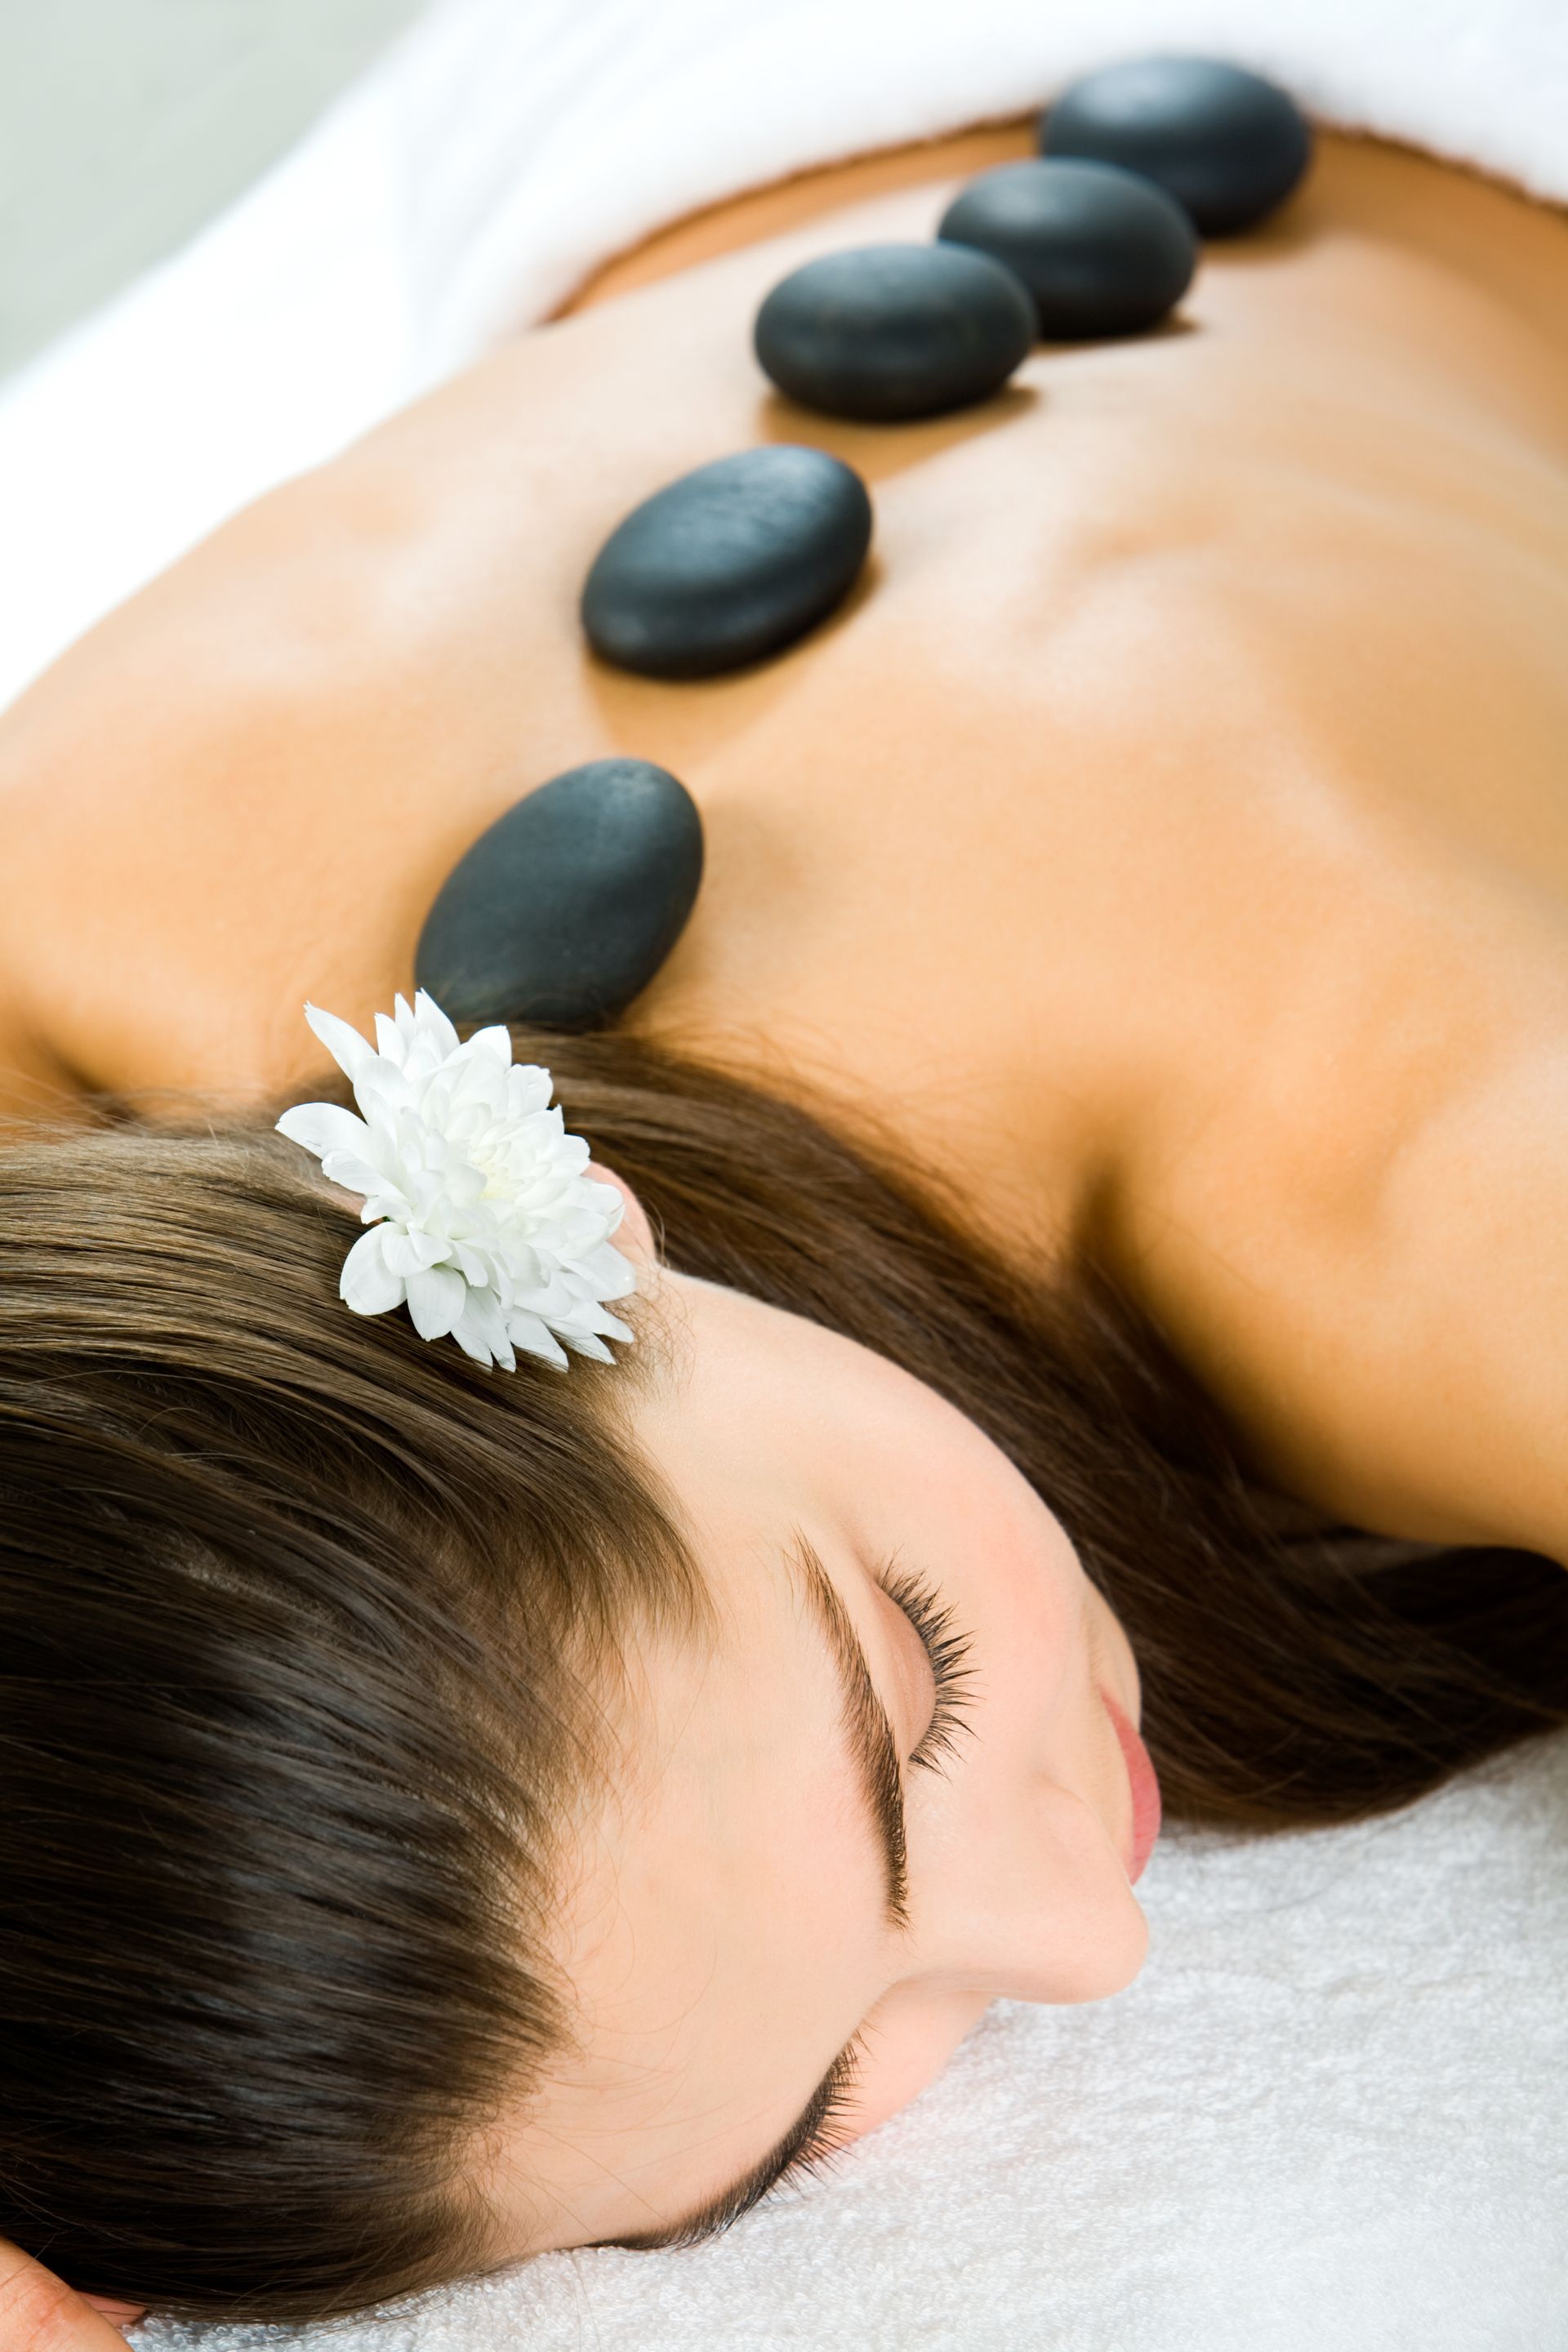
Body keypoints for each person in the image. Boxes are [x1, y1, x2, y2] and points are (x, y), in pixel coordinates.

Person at [1, 117, 1566, 2328]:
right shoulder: (67, 1035)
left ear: (599, 1232)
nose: (1084, 1940)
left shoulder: (1354, 1148)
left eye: (913, 1670)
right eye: (816, 2103)